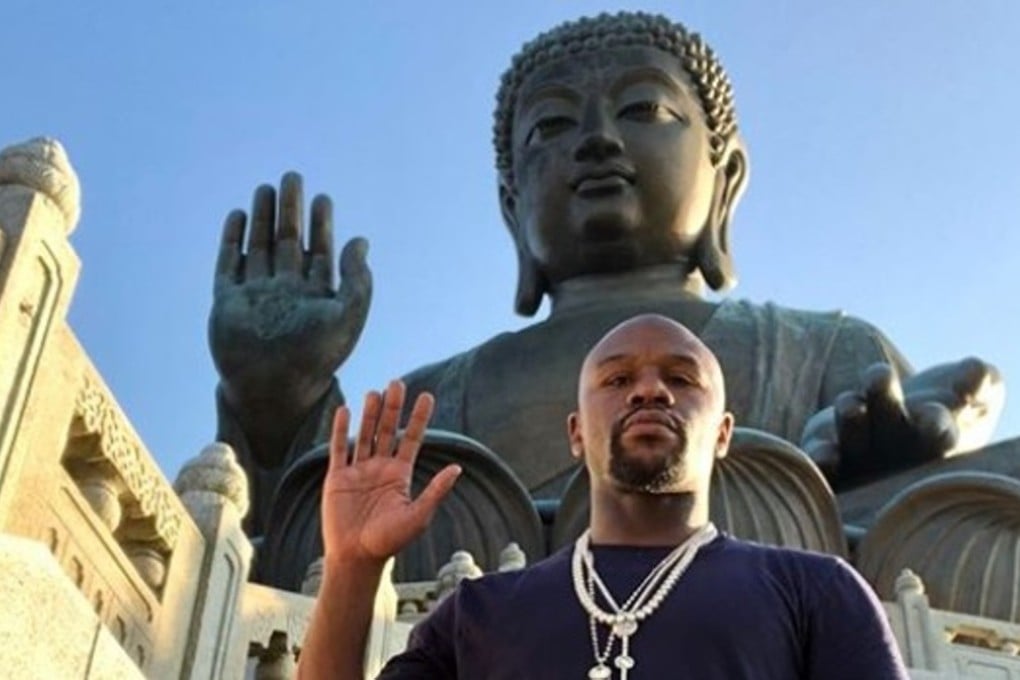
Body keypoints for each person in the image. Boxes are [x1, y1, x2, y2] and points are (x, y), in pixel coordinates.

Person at [209, 12, 1002, 545]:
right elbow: (288, 565)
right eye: (552, 126)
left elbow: (933, 464)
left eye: (643, 110)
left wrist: (896, 458)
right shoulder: (433, 398)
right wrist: (280, 405)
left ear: (726, 178)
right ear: (510, 203)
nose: (593, 141)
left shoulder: (821, 347)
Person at [296, 314, 910, 679]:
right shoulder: (477, 615)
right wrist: (352, 567)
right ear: (574, 432)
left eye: (680, 378)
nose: (649, 391)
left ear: (724, 434)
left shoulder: (813, 591)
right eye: (617, 380)